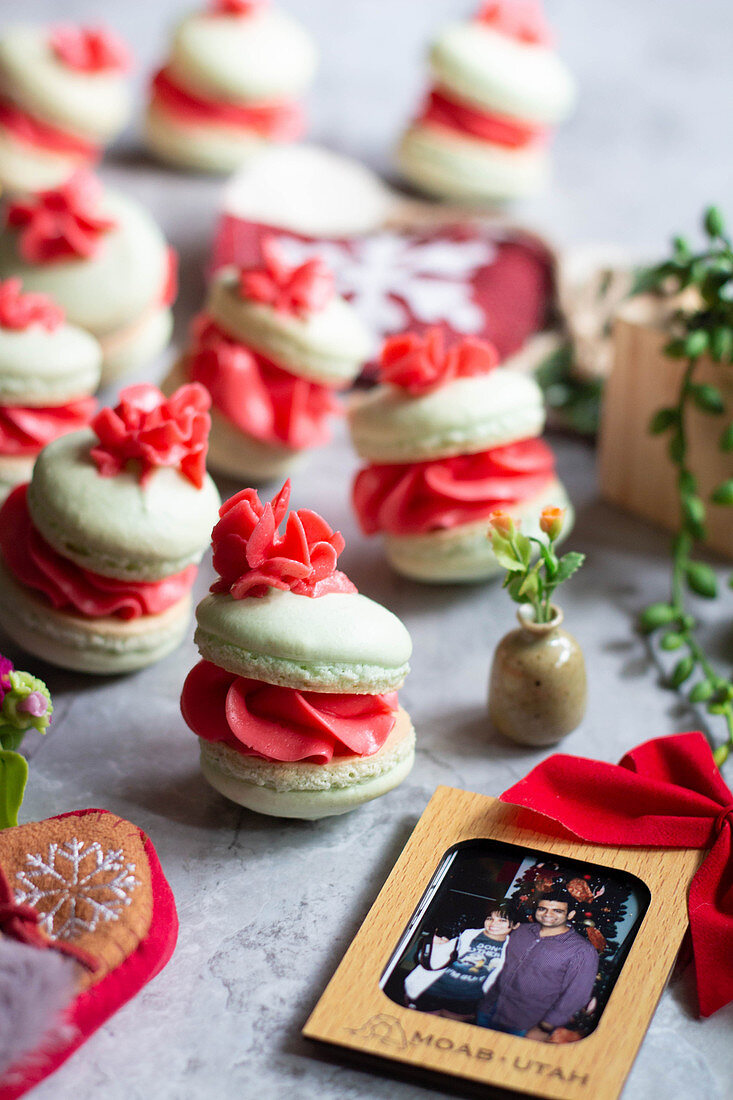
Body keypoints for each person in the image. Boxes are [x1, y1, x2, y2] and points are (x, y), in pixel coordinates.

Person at [476, 889, 598, 1040]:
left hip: (526, 1025)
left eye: (557, 911)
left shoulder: (582, 950)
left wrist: (545, 1026)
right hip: (487, 1009)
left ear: (570, 914)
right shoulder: (520, 930)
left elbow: (577, 994)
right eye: (543, 908)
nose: (548, 914)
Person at [404, 905, 518, 1021]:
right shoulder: (468, 935)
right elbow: (427, 960)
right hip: (434, 990)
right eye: (490, 918)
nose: (493, 924)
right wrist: (435, 946)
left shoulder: (512, 948)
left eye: (502, 920)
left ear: (515, 925)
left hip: (467, 999)